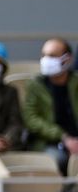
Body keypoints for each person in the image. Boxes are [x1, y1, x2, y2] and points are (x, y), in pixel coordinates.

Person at [24, 37, 78, 172]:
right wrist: (64, 137)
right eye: (44, 55)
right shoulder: (35, 85)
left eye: (52, 56)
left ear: (67, 59)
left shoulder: (75, 83)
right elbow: (32, 119)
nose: (46, 60)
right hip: (49, 143)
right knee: (58, 159)